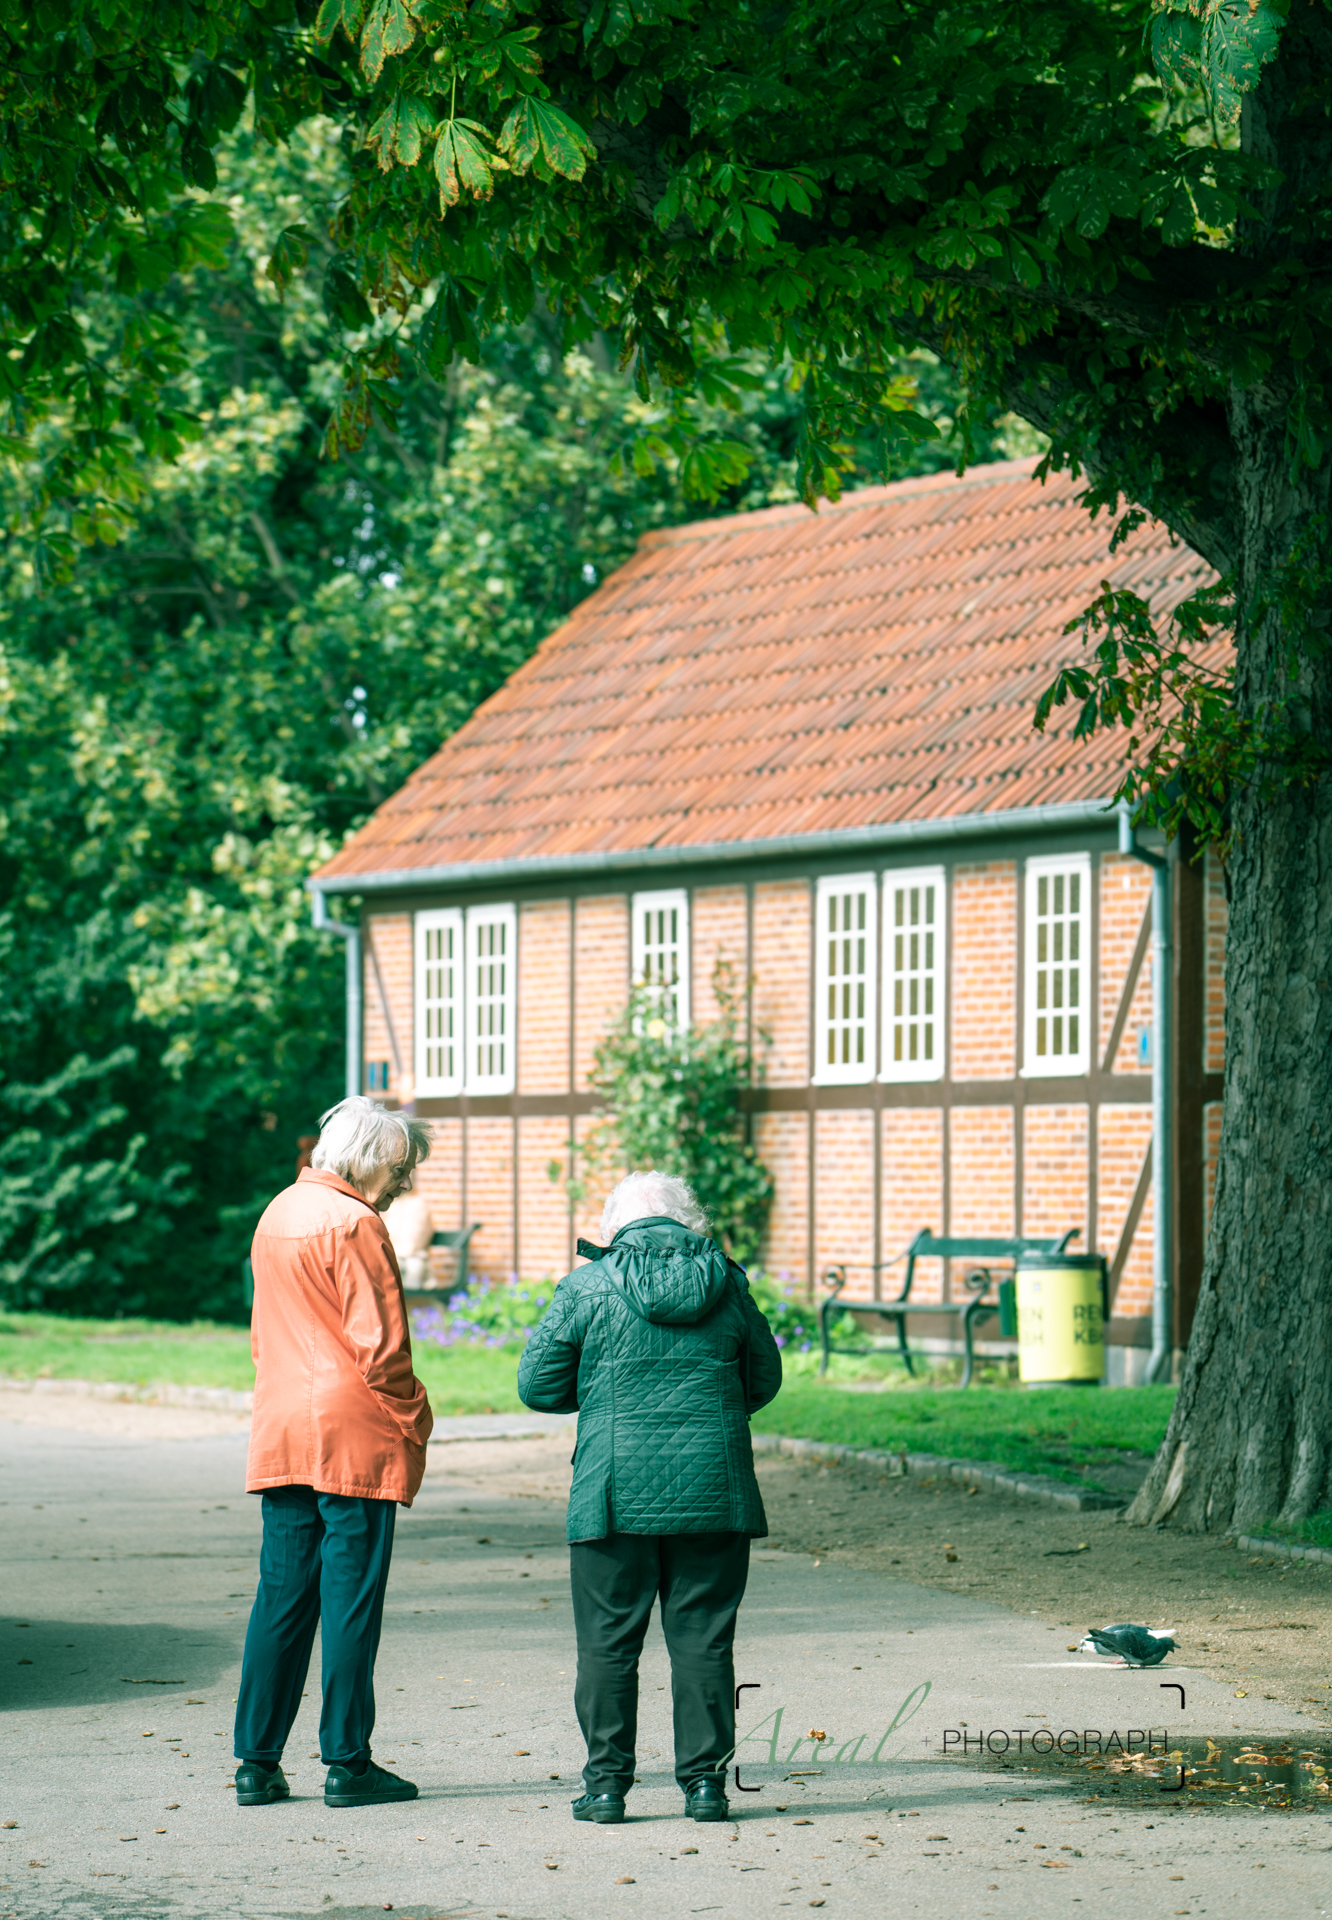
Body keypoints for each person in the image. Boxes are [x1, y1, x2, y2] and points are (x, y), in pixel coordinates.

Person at [517, 1170, 782, 1826]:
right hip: (714, 1489)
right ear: (689, 1222)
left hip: (610, 1490)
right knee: (703, 1642)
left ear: (615, 1228)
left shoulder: (587, 1286)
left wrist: (606, 1394)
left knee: (608, 1643)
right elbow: (764, 1377)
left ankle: (606, 1788)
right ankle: (706, 1788)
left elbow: (537, 1385)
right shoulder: (728, 1282)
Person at [232, 1095, 435, 1811]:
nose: (403, 1179)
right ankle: (348, 1762)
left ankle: (255, 1762)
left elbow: (263, 1334)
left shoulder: (277, 1212)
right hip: (353, 1431)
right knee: (350, 1601)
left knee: (282, 1597)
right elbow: (382, 1351)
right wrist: (416, 1414)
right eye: (401, 1165)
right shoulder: (355, 1221)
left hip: (283, 1420)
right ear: (375, 1159)